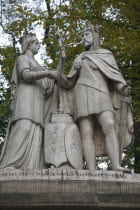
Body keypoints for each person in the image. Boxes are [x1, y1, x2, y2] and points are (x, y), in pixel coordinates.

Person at [58, 25, 133, 172]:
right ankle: (91, 169)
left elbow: (115, 77)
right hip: (81, 93)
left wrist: (123, 88)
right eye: (83, 35)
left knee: (110, 125)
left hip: (101, 93)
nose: (84, 37)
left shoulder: (106, 55)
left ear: (95, 36)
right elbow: (69, 82)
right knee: (86, 132)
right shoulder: (79, 58)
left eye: (87, 34)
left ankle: (116, 165)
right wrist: (58, 75)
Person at [0, 33, 60, 169]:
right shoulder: (22, 58)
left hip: (38, 100)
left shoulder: (38, 64)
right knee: (24, 127)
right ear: (29, 45)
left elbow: (47, 84)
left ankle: (32, 166)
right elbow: (25, 75)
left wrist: (53, 78)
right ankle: (10, 164)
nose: (39, 46)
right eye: (36, 43)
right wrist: (47, 73)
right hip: (25, 97)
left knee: (36, 131)